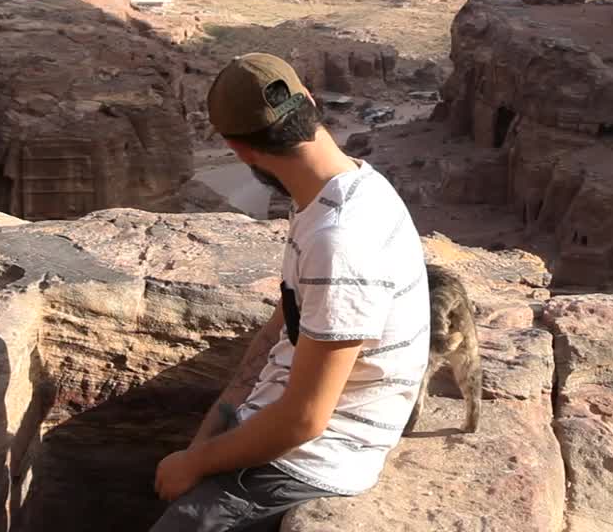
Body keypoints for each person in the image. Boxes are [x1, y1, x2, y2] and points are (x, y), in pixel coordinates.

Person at [151, 53, 430, 531]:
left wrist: (194, 464)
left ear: (240, 151)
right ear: (310, 103)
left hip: (307, 463)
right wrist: (209, 433)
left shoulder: (339, 239)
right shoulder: (343, 189)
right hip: (275, 431)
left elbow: (305, 419)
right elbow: (283, 325)